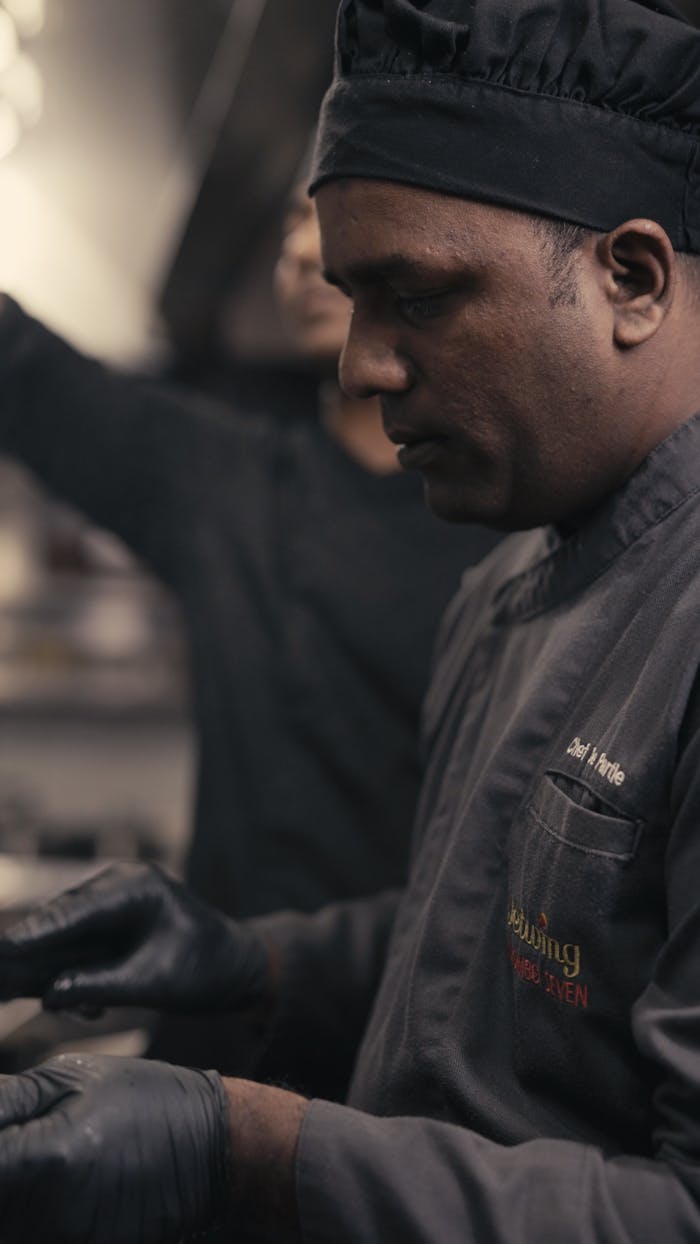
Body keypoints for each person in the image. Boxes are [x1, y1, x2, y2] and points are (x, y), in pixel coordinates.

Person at [0, 0, 700, 1239]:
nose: (358, 365)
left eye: (414, 299)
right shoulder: (515, 574)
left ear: (630, 280)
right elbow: (490, 944)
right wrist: (250, 958)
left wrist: (251, 1144)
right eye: (349, 298)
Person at [0, 192, 497, 932]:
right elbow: (29, 373)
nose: (298, 253)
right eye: (291, 222)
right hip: (204, 1010)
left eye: (330, 214)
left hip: (400, 1020)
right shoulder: (228, 482)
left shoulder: (513, 529)